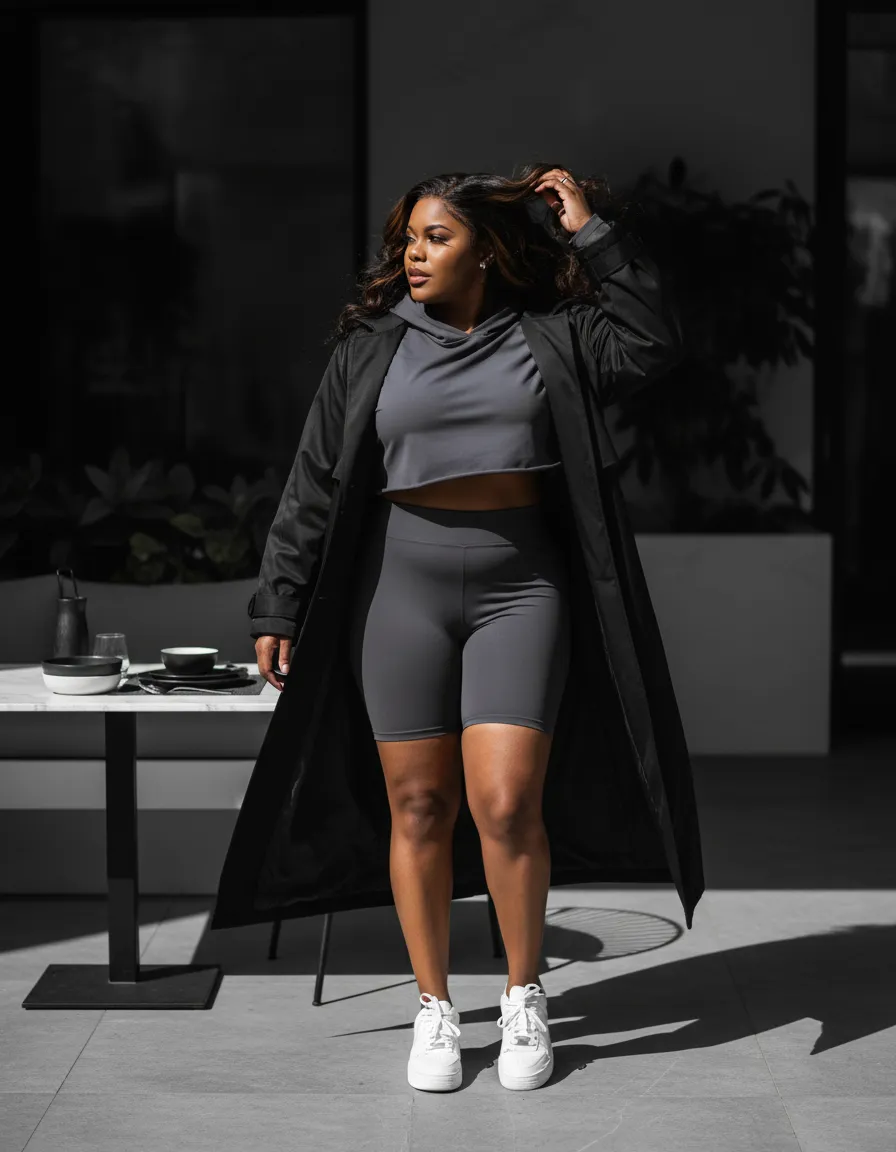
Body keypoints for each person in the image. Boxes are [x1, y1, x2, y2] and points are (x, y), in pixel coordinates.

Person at [252, 165, 685, 1093]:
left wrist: (591, 232)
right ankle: (435, 1008)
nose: (414, 253)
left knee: (505, 804)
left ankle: (525, 997)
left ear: (486, 250)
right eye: (408, 239)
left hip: (521, 589)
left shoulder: (555, 339)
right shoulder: (369, 348)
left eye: (437, 238)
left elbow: (651, 342)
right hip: (395, 592)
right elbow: (315, 480)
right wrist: (279, 600)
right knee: (418, 807)